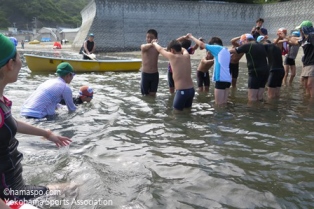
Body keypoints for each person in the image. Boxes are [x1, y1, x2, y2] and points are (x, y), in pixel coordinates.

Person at [0, 33, 71, 202]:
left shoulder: (2, 101)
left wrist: (46, 133)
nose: (21, 64)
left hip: (15, 185)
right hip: (10, 194)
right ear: (10, 64)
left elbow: (10, 123)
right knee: (73, 189)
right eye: (19, 58)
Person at [151, 39, 195, 111]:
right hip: (191, 90)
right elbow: (184, 50)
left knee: (176, 114)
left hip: (182, 91)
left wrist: (154, 43)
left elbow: (160, 49)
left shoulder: (172, 57)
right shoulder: (187, 56)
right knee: (187, 112)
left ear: (172, 50)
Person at [188, 34, 231, 105]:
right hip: (228, 79)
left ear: (214, 45)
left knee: (218, 105)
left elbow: (202, 45)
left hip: (221, 79)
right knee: (224, 103)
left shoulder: (217, 48)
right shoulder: (226, 50)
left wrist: (191, 37)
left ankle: (219, 115)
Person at [229, 34, 269, 103]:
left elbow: (232, 51)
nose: (242, 44)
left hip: (255, 72)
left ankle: (252, 113)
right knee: (259, 97)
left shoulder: (248, 45)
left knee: (252, 98)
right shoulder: (261, 45)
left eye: (242, 42)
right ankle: (260, 110)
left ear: (245, 40)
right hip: (265, 72)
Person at [289, 20, 314, 98]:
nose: (300, 31)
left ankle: (311, 103)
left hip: (312, 63)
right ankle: (307, 101)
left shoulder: (311, 36)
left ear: (304, 29)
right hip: (306, 63)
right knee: (306, 85)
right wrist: (286, 37)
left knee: (310, 85)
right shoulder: (304, 39)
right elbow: (295, 42)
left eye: (301, 29)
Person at [140, 29, 159, 96]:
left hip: (154, 74)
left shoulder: (157, 48)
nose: (149, 39)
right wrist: (152, 44)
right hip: (145, 74)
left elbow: (165, 50)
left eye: (151, 37)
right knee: (144, 95)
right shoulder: (143, 46)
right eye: (147, 37)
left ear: (156, 39)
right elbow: (143, 47)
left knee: (153, 94)